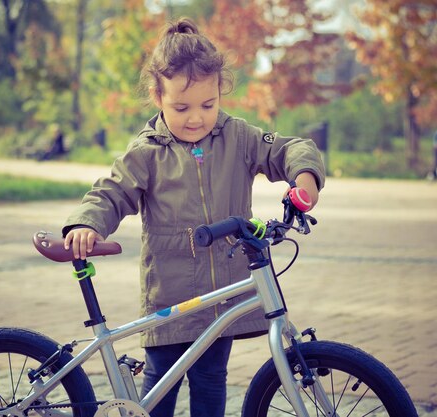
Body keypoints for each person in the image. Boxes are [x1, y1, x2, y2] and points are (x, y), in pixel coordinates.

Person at [62, 17, 325, 417]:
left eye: (208, 104)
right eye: (180, 107)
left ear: (221, 91)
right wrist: (87, 222)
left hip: (222, 299)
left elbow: (289, 149)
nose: (196, 118)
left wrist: (304, 179)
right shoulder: (147, 151)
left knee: (210, 381)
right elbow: (112, 191)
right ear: (157, 95)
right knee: (159, 388)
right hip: (169, 295)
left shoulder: (237, 137)